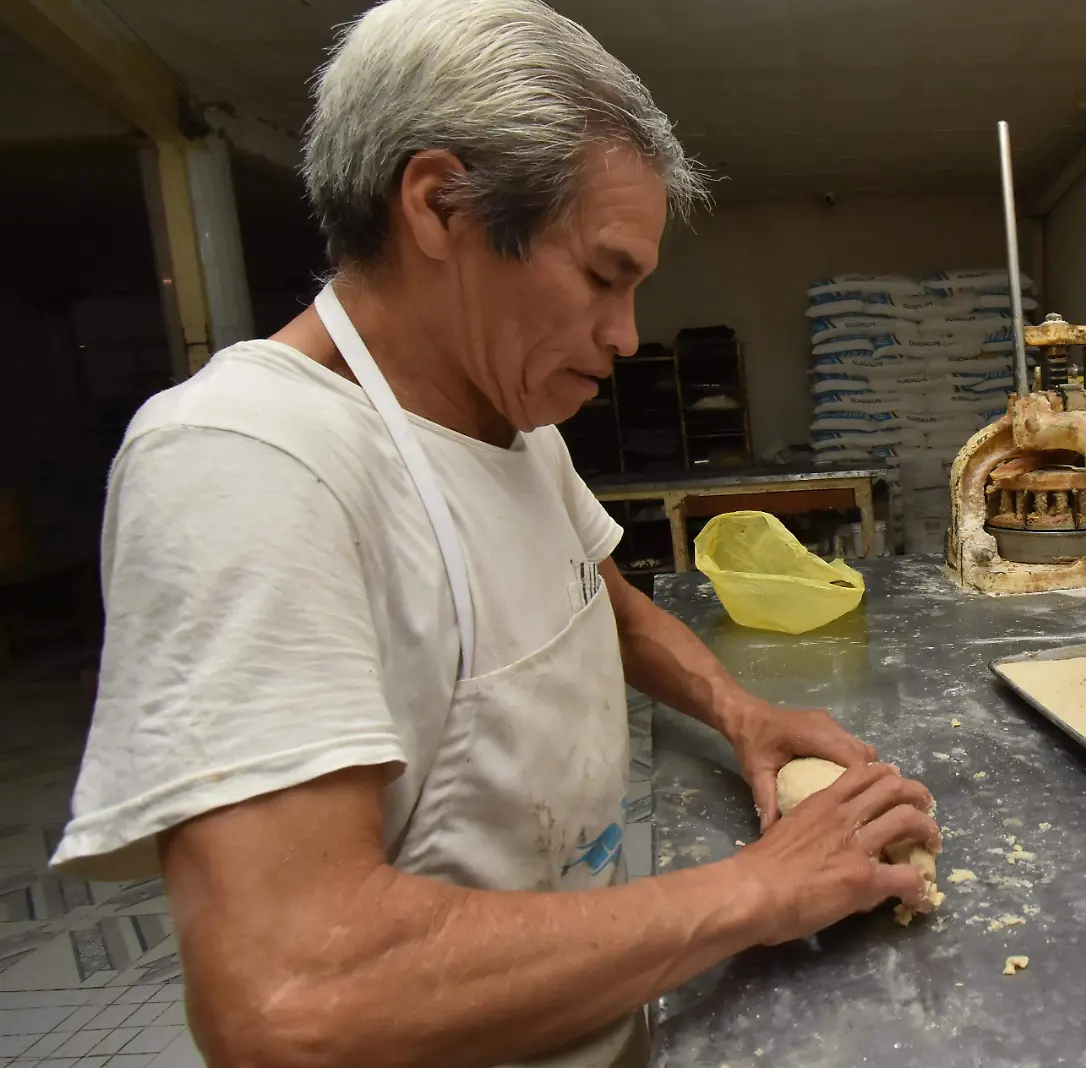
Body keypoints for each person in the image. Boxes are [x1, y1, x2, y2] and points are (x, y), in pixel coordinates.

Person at [48, 1, 939, 1064]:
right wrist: (754, 890)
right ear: (439, 206)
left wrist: (740, 713)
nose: (624, 336)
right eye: (605, 276)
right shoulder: (245, 462)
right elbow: (287, 996)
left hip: (588, 1010)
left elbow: (592, 597)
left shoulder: (506, 413)